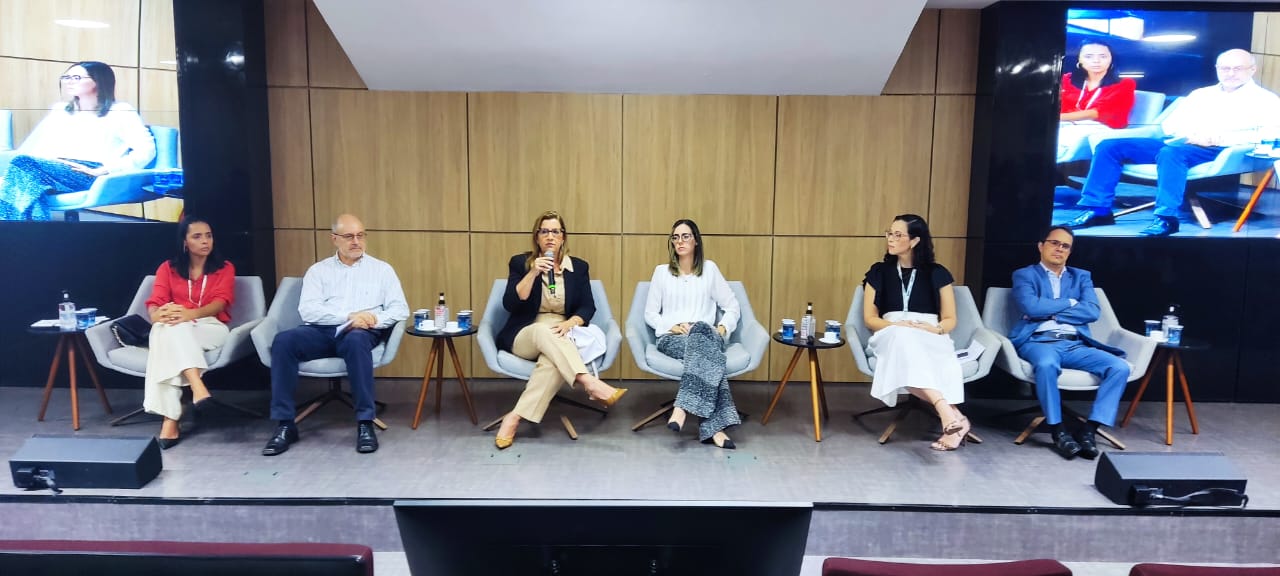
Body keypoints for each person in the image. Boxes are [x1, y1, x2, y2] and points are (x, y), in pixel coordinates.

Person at [1061, 49, 1280, 236]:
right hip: (1182, 141)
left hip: (1221, 149)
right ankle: (1098, 210)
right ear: (1217, 69)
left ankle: (1167, 218)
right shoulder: (1201, 94)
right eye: (1225, 68)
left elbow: (1271, 135)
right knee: (1110, 146)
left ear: (1252, 70)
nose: (1230, 73)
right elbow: (1170, 126)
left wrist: (1220, 138)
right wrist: (1192, 134)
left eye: (1237, 68)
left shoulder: (1266, 100)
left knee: (1171, 153)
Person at [261, 214, 408, 456]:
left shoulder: (382, 270)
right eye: (349, 236)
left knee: (356, 340)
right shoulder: (318, 271)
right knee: (284, 341)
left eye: (360, 235)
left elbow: (400, 309)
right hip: (322, 330)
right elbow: (308, 310)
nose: (356, 242)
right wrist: (348, 316)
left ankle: (365, 423)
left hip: (362, 331)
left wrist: (372, 319)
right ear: (334, 239)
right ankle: (285, 424)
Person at [492, 210, 627, 450]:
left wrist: (569, 323)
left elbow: (588, 306)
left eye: (555, 231)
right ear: (536, 237)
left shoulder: (579, 267)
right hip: (526, 332)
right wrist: (533, 272)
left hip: (561, 332)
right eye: (544, 231)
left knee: (551, 362)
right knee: (543, 331)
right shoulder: (520, 263)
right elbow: (510, 303)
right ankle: (589, 382)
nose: (550, 237)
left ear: (563, 237)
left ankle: (513, 418)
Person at [1009, 226, 1130, 460]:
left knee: (1119, 367)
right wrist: (1071, 303)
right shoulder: (1024, 275)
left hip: (1075, 344)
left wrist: (1051, 312)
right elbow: (1030, 307)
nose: (1059, 249)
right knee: (1046, 365)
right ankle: (1058, 430)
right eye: (1054, 243)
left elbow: (1092, 311)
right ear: (1041, 246)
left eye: (1065, 246)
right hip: (1039, 342)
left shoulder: (1081, 276)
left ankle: (1089, 430)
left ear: (1070, 251)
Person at [861, 214, 969, 451]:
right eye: (889, 233)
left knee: (906, 358)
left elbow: (950, 319)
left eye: (898, 234)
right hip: (890, 332)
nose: (890, 239)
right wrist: (897, 326)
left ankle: (954, 418)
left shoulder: (938, 273)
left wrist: (935, 329)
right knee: (902, 340)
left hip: (928, 332)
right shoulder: (878, 272)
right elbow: (870, 318)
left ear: (915, 240)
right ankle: (949, 413)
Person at [0, 61, 156, 221]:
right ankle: (30, 230)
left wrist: (106, 169)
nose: (69, 82)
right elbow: (41, 146)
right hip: (53, 167)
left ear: (98, 81)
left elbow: (146, 150)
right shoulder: (61, 110)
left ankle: (20, 230)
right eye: (66, 77)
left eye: (76, 77)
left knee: (23, 167)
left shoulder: (120, 111)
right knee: (27, 181)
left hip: (90, 171)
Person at [643, 219, 741, 449]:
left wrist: (722, 328)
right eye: (675, 237)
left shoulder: (710, 270)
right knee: (711, 357)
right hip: (673, 338)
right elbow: (650, 313)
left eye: (685, 236)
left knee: (702, 333)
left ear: (696, 241)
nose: (680, 241)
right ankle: (715, 428)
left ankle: (681, 408)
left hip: (708, 335)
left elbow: (732, 306)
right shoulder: (661, 273)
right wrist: (670, 326)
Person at [142, 216, 236, 449]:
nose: (205, 241)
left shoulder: (224, 268)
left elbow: (220, 303)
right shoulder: (168, 268)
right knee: (165, 327)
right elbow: (155, 301)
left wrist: (190, 314)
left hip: (210, 326)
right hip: (177, 327)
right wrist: (156, 315)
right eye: (197, 236)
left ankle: (171, 418)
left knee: (166, 333)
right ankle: (197, 389)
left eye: (209, 236)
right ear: (185, 242)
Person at [1057, 41, 1137, 161]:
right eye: (1088, 56)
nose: (1096, 61)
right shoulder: (1066, 79)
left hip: (1102, 128)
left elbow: (1096, 113)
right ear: (1079, 59)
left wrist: (1056, 118)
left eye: (1103, 56)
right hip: (1067, 124)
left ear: (1111, 59)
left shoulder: (1125, 84)